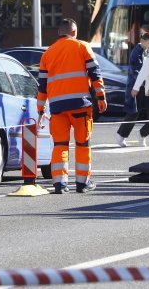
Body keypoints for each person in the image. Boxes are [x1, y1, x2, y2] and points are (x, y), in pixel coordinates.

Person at [38, 19, 106, 194]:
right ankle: (83, 183)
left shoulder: (48, 53)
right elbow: (95, 74)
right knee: (82, 144)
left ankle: (60, 184)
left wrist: (40, 110)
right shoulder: (82, 47)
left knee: (60, 145)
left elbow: (42, 86)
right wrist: (101, 96)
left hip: (57, 108)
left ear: (59, 33)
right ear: (74, 32)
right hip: (80, 106)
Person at [115, 32, 149, 147]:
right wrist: (141, 83)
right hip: (136, 86)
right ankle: (120, 135)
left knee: (138, 112)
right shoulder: (137, 52)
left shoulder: (144, 51)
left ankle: (124, 135)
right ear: (142, 41)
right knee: (133, 112)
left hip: (140, 86)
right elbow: (135, 71)